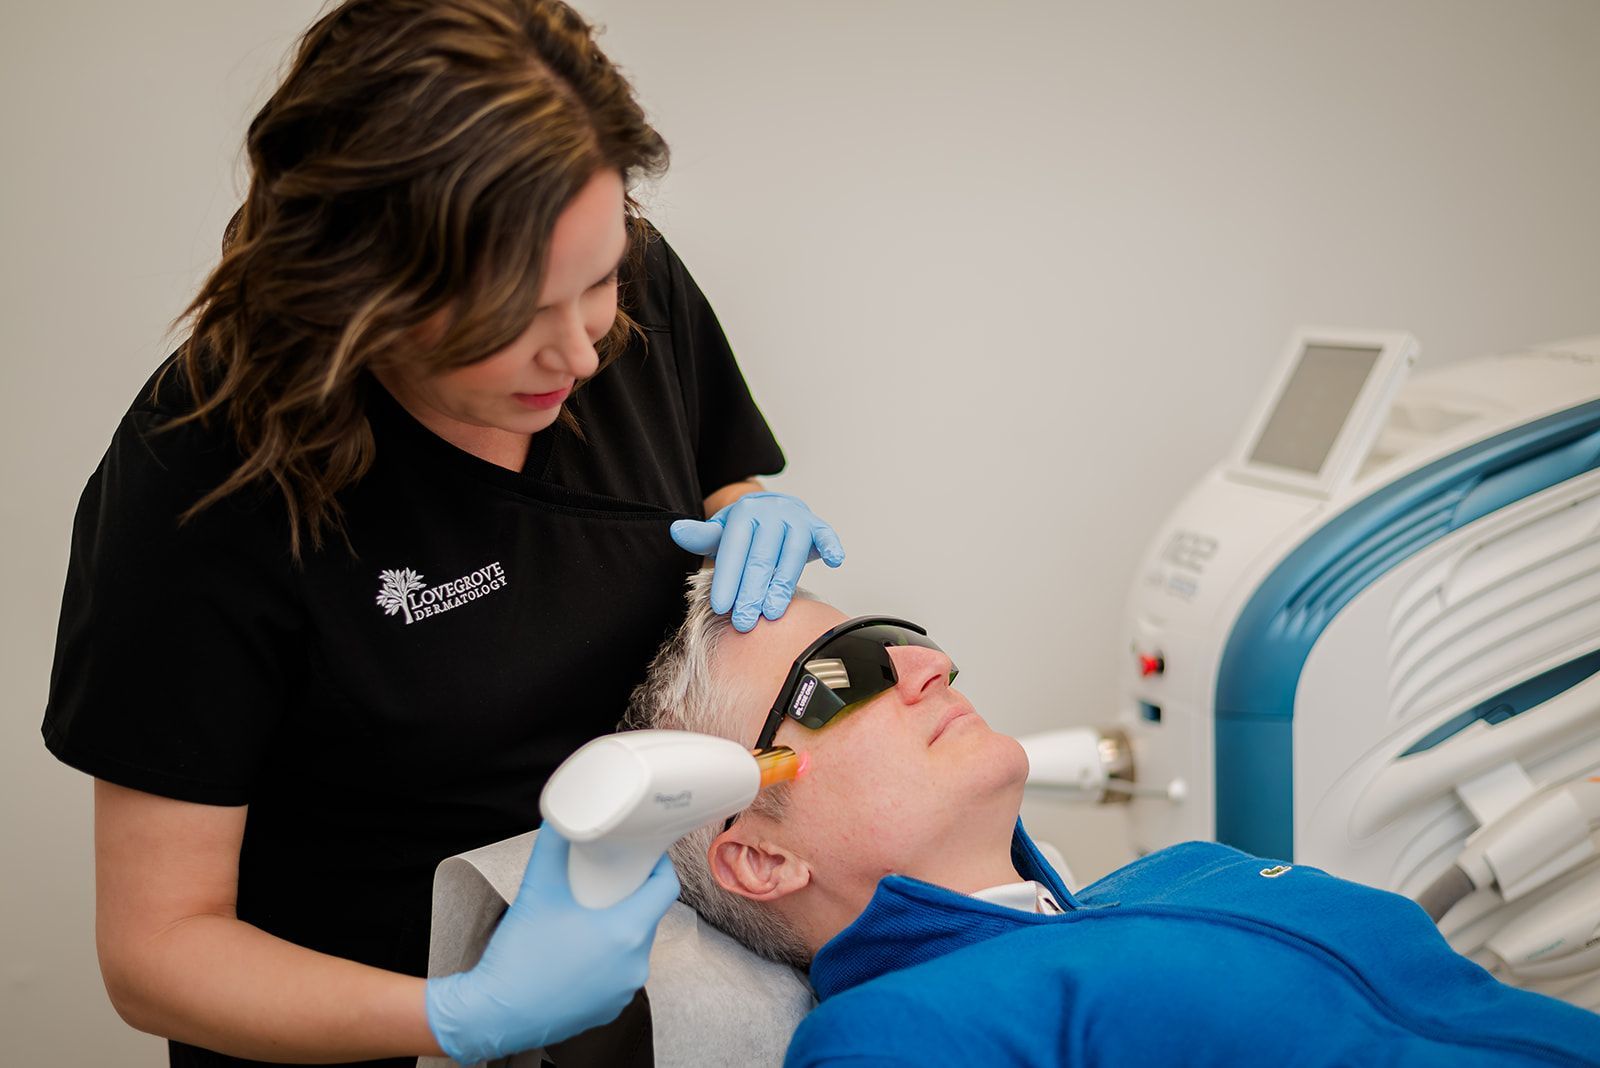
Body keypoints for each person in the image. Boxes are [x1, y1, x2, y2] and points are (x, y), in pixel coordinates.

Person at [40, 3, 843, 1066]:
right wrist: (457, 1018)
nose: (580, 358)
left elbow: (713, 478)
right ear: (355, 295)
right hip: (359, 1024)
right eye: (505, 322)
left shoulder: (619, 276)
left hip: (666, 991)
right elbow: (158, 952)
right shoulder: (204, 480)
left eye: (597, 283)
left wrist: (749, 517)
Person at [623, 572, 1600, 1067]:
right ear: (760, 857)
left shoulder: (1185, 870)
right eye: (842, 677)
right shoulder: (894, 1033)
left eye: (898, 641)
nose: (928, 666)